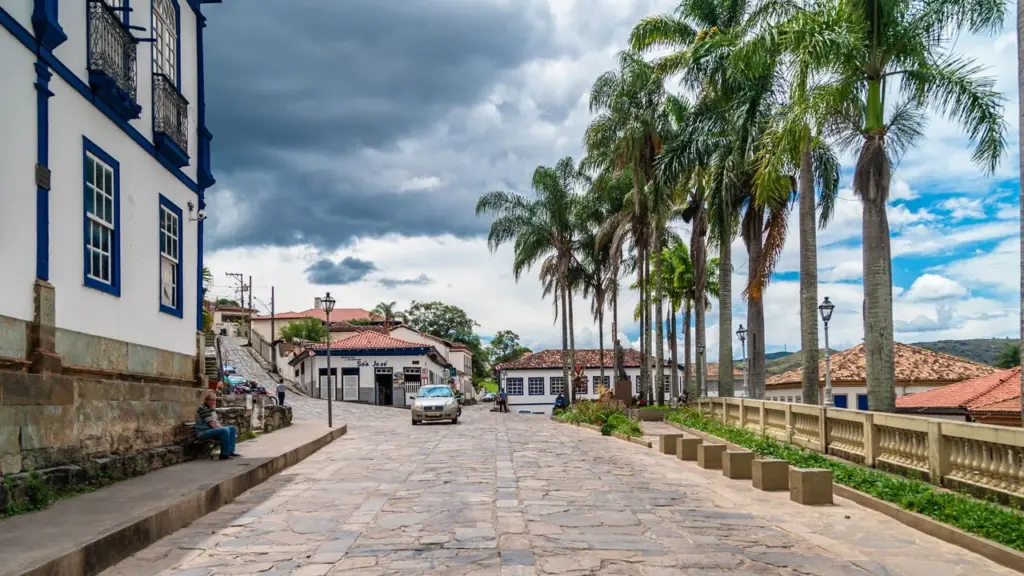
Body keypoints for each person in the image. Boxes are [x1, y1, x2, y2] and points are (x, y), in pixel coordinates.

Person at [195, 391, 240, 460]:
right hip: (203, 432)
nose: (212, 402)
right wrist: (223, 430)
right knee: (225, 430)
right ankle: (224, 455)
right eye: (211, 400)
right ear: (206, 400)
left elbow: (216, 422)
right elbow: (212, 424)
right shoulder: (203, 409)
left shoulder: (211, 409)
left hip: (210, 430)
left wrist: (222, 429)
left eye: (214, 400)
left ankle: (230, 451)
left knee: (232, 428)